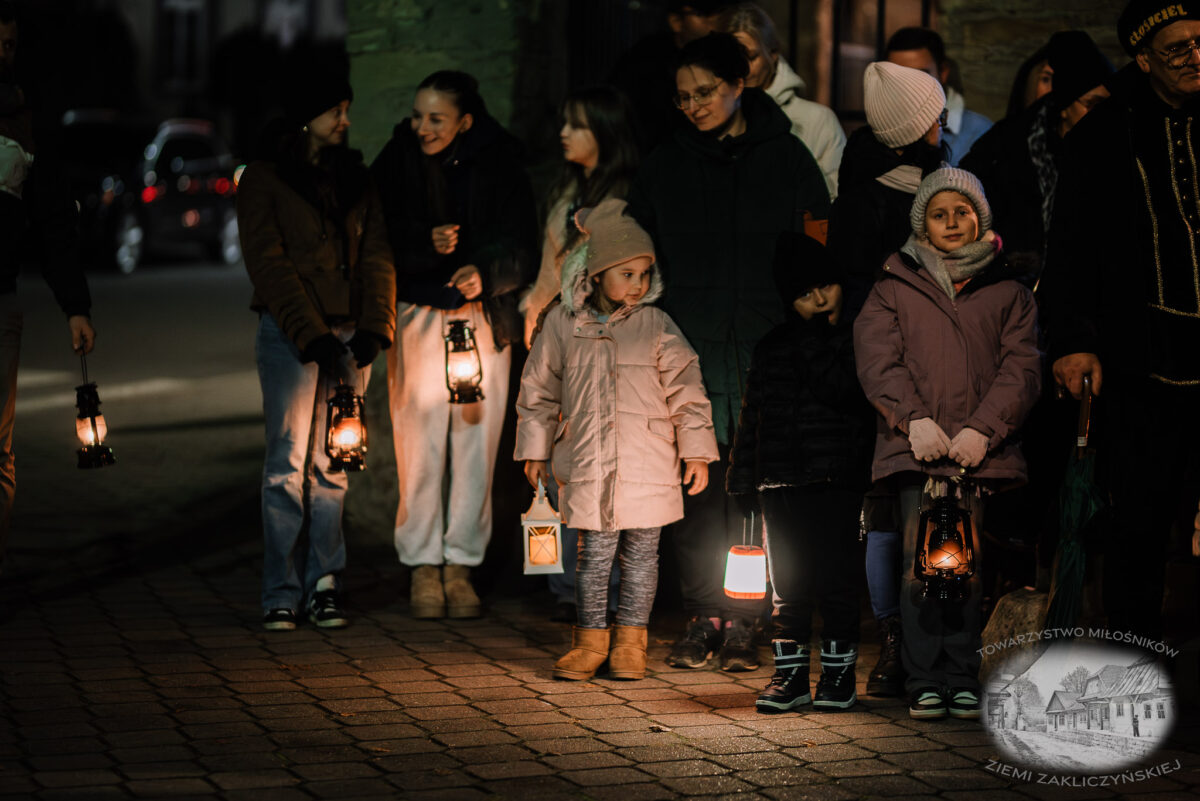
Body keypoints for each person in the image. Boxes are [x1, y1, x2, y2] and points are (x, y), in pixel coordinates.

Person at [626, 32, 830, 672]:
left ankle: (751, 618)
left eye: (706, 92)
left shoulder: (788, 158)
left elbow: (815, 245)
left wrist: (811, 316)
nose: (693, 106)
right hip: (689, 348)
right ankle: (702, 614)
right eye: (683, 96)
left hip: (771, 348)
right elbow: (636, 248)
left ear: (740, 84)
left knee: (762, 491)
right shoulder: (664, 165)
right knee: (697, 487)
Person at [854, 168, 1040, 719]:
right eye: (939, 214)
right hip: (920, 452)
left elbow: (1021, 366)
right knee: (921, 567)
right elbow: (878, 358)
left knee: (965, 568)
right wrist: (913, 420)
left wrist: (984, 429)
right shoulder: (894, 284)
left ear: (980, 218)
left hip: (975, 453)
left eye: (962, 212)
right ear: (923, 224)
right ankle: (923, 677)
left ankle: (960, 673)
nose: (952, 222)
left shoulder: (1008, 290)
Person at [1040, 1, 1200, 640]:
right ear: (1143, 59)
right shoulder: (1107, 132)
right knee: (1141, 516)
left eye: (1199, 42)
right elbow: (1071, 247)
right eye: (1177, 49)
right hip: (1145, 357)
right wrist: (1075, 341)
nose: (1194, 57)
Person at [515, 198, 718, 681]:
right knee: (593, 555)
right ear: (597, 273)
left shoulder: (656, 325)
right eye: (626, 273)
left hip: (648, 461)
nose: (638, 284)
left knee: (643, 555)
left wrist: (696, 451)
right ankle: (589, 640)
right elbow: (539, 389)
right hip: (588, 458)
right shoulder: (565, 325)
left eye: (644, 274)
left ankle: (631, 640)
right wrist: (536, 448)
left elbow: (687, 391)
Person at [371, 71, 538, 619]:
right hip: (420, 309)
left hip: (483, 318)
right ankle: (422, 564)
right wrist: (424, 243)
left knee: (475, 444)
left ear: (465, 120)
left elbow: (522, 240)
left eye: (435, 118)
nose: (422, 127)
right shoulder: (396, 162)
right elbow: (374, 235)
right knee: (417, 441)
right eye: (418, 115)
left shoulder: (501, 162)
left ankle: (461, 565)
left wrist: (485, 272)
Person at [238, 65, 397, 631]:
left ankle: (325, 582)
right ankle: (279, 589)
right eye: (336, 111)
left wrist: (376, 327)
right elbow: (269, 262)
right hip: (291, 337)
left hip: (352, 336)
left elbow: (377, 251)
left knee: (335, 462)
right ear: (308, 117)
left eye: (346, 110)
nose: (345, 121)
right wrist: (311, 336)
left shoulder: (356, 178)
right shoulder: (263, 178)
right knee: (285, 463)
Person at [825, 60, 945, 697]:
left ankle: (934, 637)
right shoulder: (871, 197)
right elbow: (861, 288)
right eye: (931, 112)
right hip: (885, 366)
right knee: (886, 508)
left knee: (929, 505)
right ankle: (896, 636)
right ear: (910, 127)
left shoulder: (939, 180)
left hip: (942, 364)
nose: (942, 120)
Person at [726, 232, 873, 713]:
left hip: (835, 479)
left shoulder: (854, 336)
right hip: (780, 481)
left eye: (824, 286)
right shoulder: (772, 345)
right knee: (787, 585)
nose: (817, 298)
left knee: (836, 581)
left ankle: (838, 677)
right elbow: (754, 415)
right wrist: (742, 476)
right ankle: (789, 678)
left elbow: (845, 391)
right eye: (804, 292)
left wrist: (814, 336)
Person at [522, 85, 640, 622]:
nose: (564, 134)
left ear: (604, 133)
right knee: (559, 464)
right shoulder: (568, 187)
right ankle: (569, 587)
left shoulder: (622, 197)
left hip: (595, 341)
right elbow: (552, 265)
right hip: (552, 330)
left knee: (601, 467)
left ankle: (605, 593)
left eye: (578, 125)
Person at [0, 0, 95, 575]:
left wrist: (75, 306)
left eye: (8, 46)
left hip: (0, 297)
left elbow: (55, 218)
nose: (1, 56)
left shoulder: (26, 118)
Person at [715, 2, 846, 197]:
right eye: (733, 57)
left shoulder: (817, 121)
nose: (742, 67)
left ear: (773, 54)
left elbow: (834, 198)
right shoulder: (711, 118)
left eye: (750, 57)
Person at [608, 1, 730, 152]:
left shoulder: (727, 57)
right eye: (702, 14)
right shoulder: (645, 62)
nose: (715, 21)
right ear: (676, 22)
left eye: (720, 12)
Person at [885, 27, 991, 166]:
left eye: (920, 76)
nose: (908, 88)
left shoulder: (980, 133)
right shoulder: (879, 131)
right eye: (899, 78)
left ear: (943, 72)